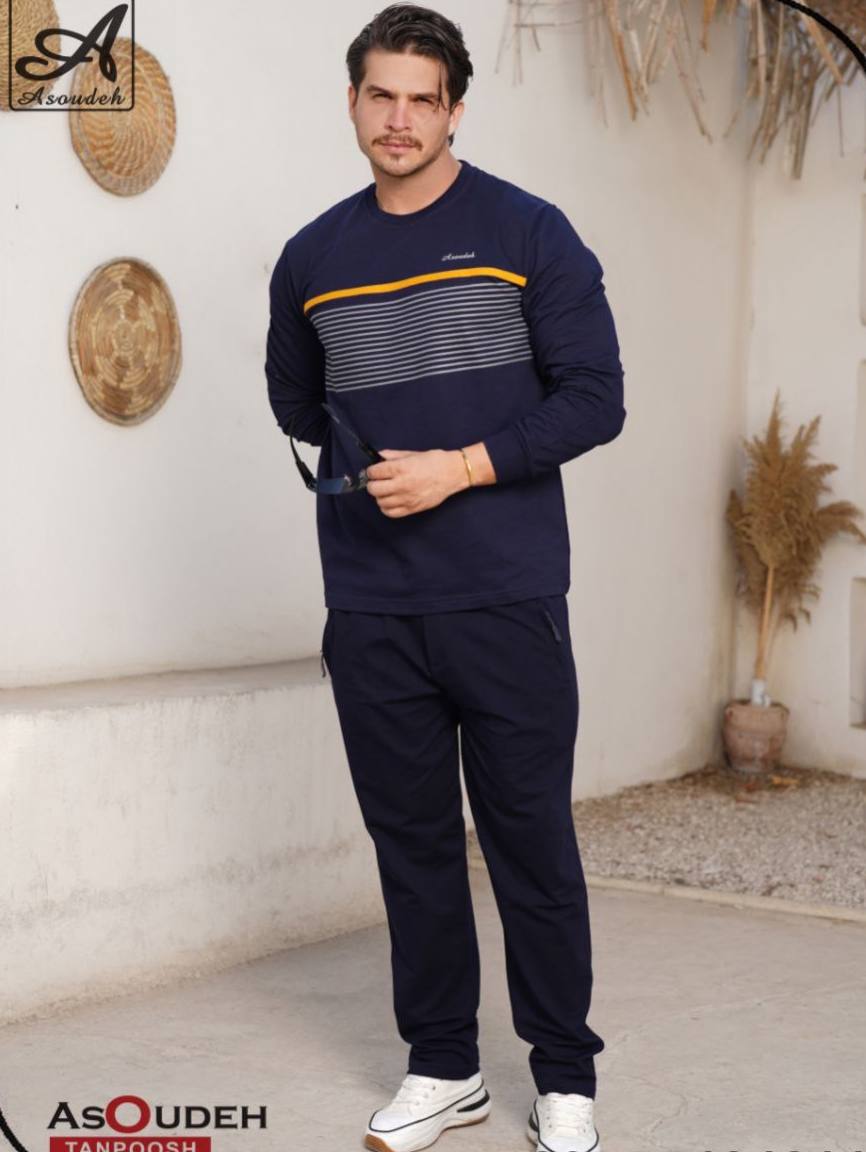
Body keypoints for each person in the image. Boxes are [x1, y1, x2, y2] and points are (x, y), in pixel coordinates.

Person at [265, 6, 625, 1150]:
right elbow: (294, 400)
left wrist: (459, 465)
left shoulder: (528, 231)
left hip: (505, 597)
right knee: (411, 849)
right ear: (353, 102)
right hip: (370, 605)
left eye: (422, 99)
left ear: (454, 109)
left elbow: (595, 398)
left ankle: (563, 1078)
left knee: (529, 844)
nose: (399, 119)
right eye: (381, 95)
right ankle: (443, 1067)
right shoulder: (312, 258)